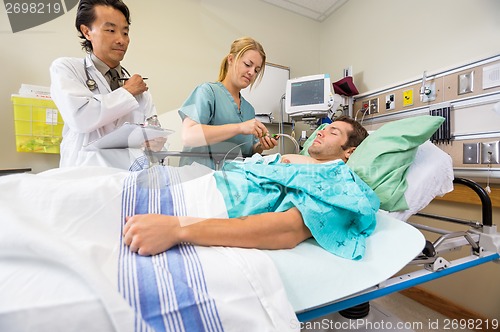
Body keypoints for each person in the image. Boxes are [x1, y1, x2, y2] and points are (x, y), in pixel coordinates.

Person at [123, 116, 377, 260]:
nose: (320, 133)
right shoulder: (302, 162)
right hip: (196, 181)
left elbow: (287, 230)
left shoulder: (337, 180)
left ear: (349, 152)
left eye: (333, 132)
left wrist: (178, 229)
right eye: (322, 129)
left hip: (206, 203)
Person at [50, 0, 165, 169]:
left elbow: (153, 132)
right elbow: (82, 118)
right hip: (84, 175)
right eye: (111, 30)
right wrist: (127, 92)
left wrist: (156, 144)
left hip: (128, 180)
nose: (121, 40)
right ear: (87, 32)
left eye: (125, 33)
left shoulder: (139, 89)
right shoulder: (66, 68)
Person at [178, 37, 279, 169]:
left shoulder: (249, 110)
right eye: (248, 65)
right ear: (230, 60)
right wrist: (239, 127)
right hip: (199, 178)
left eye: (256, 70)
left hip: (231, 180)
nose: (251, 72)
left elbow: (248, 151)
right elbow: (189, 136)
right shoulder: (207, 92)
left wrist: (261, 145)